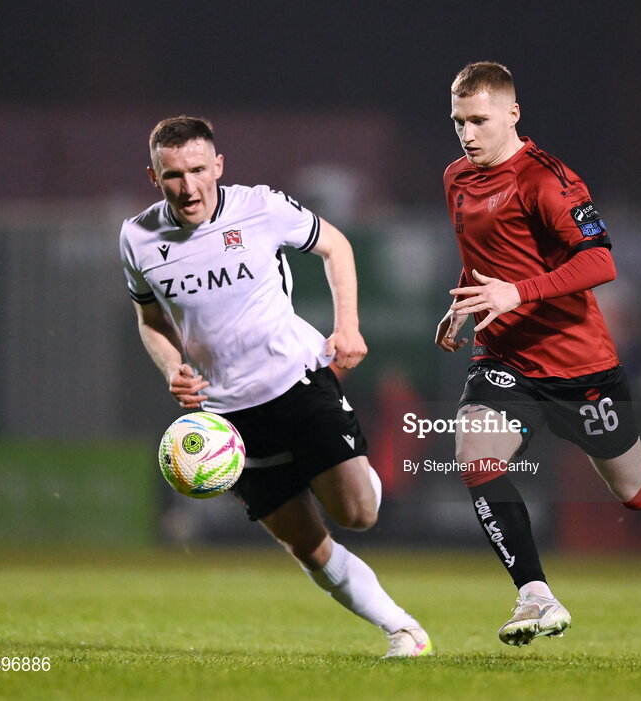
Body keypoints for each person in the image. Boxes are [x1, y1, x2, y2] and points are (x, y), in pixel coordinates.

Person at [435, 63, 641, 647]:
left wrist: (517, 292)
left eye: (479, 120)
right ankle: (534, 593)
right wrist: (465, 305)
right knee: (477, 457)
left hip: (578, 365)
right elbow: (485, 257)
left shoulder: (548, 180)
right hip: (504, 357)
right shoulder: (457, 176)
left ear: (513, 113)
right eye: (459, 122)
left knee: (638, 491)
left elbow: (600, 261)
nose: (468, 134)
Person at [120, 116, 432, 658]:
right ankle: (404, 631)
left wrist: (349, 325)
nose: (189, 187)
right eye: (174, 175)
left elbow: (336, 247)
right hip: (225, 421)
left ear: (219, 166)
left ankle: (344, 460)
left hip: (297, 380)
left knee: (359, 514)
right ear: (154, 177)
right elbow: (150, 321)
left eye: (199, 170)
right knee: (308, 547)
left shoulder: (261, 208)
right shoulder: (138, 238)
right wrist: (172, 367)